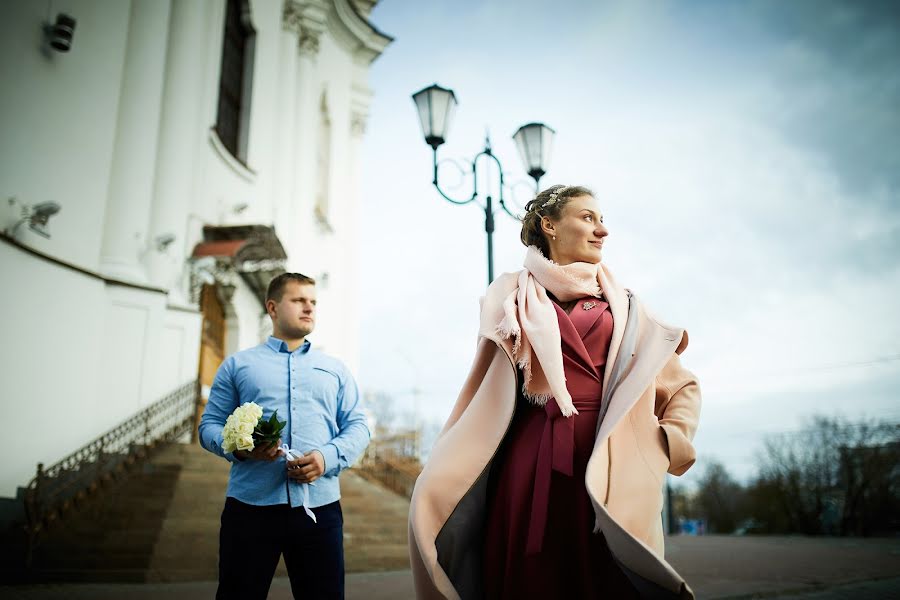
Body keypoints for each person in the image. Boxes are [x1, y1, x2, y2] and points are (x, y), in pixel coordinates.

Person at [408, 185, 702, 599]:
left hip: (609, 463)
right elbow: (486, 389)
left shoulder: (628, 308)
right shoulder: (509, 298)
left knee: (608, 577)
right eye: (587, 217)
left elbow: (683, 387)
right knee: (530, 578)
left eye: (602, 220)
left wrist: (665, 441)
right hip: (528, 463)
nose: (602, 230)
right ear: (549, 225)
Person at [199, 272, 370, 600]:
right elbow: (209, 426)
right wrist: (240, 449)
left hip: (320, 508)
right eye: (299, 300)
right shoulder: (238, 365)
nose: (309, 308)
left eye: (313, 302)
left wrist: (325, 458)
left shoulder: (335, 369)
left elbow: (359, 425)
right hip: (249, 508)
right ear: (273, 308)